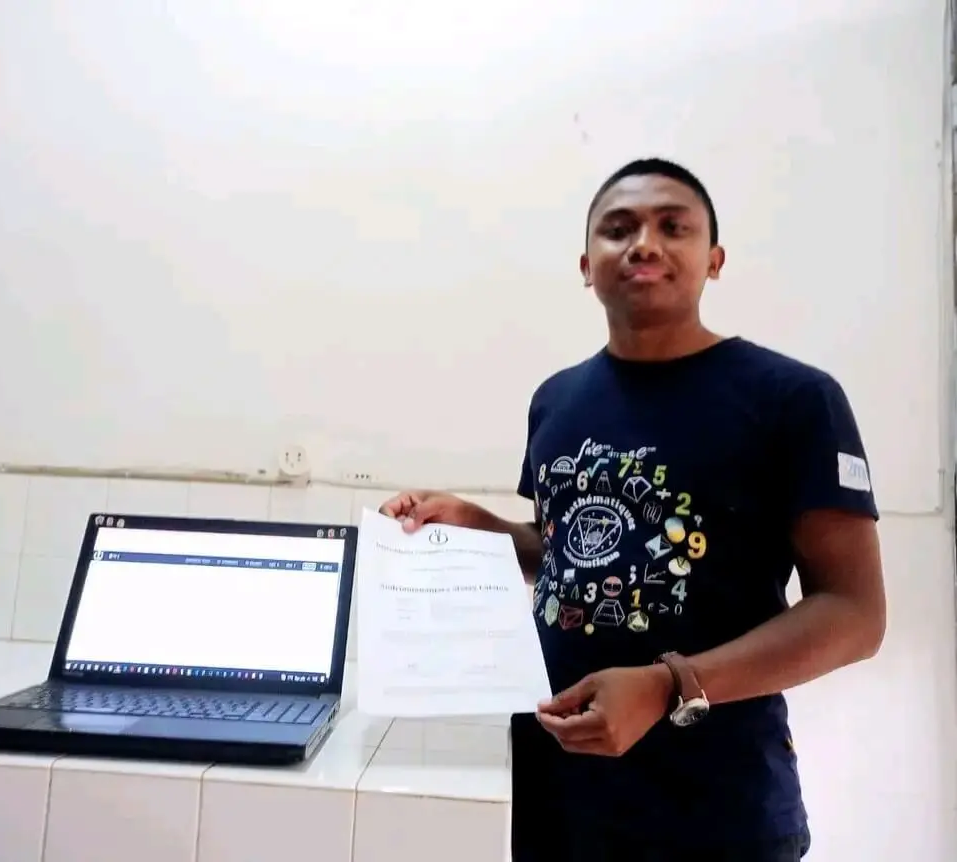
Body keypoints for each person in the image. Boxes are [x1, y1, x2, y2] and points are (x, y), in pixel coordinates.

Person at [379, 158, 886, 861]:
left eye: (673, 227)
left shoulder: (793, 399)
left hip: (717, 809)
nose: (644, 243)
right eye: (619, 229)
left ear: (714, 260)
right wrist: (477, 527)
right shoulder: (556, 400)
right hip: (554, 792)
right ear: (587, 266)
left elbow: (855, 615)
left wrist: (668, 685)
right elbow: (569, 553)